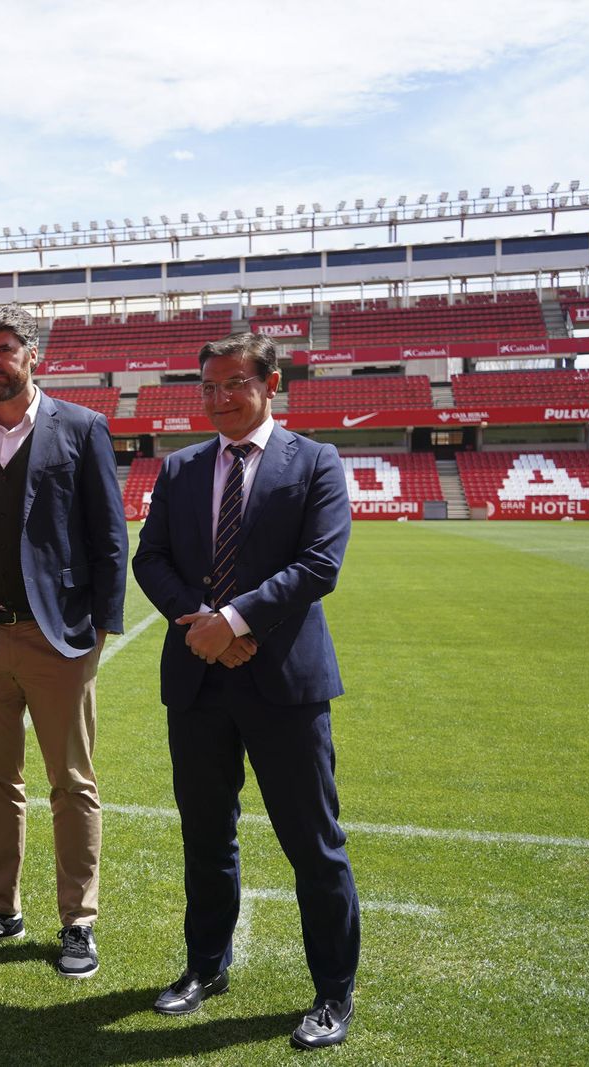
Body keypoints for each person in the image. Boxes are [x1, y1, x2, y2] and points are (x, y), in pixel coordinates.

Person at [132, 331, 360, 1050]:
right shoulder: (180, 468)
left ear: (271, 382)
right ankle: (205, 966)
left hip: (284, 683)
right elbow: (152, 558)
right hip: (198, 681)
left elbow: (320, 563)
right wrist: (199, 623)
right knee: (206, 835)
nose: (220, 398)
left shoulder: (315, 461)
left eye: (235, 383)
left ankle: (333, 991)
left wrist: (233, 619)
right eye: (208, 386)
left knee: (313, 842)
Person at [0, 303, 128, 978]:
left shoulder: (82, 427)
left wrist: (100, 629)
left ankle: (78, 921)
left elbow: (109, 535)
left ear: (32, 354)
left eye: (6, 348)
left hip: (59, 638)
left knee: (71, 782)